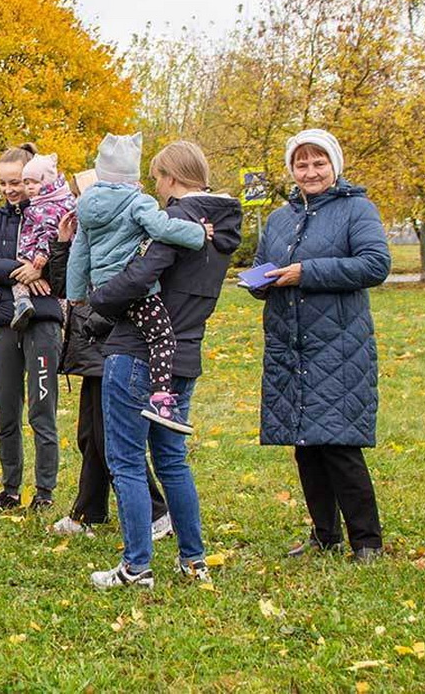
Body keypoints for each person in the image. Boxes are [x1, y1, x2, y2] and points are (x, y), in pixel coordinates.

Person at [86, 140, 242, 589]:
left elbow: (139, 276)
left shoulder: (176, 220)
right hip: (184, 354)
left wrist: (98, 299)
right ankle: (194, 562)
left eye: (158, 177)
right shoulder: (223, 226)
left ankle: (136, 566)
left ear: (173, 177)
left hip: (137, 350)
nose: (157, 186)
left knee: (127, 461)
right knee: (173, 461)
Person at [250, 128, 391, 563]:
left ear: (334, 165)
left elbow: (375, 264)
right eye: (301, 164)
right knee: (305, 445)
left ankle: (366, 541)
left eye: (318, 162)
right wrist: (262, 281)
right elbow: (261, 267)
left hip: (338, 345)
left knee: (339, 445)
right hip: (289, 345)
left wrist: (305, 272)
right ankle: (324, 534)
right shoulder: (279, 218)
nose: (310, 171)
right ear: (291, 169)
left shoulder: (356, 209)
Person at [66, 132, 213, 433]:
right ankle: (161, 398)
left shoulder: (86, 205)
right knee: (162, 337)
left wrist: (76, 294)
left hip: (105, 287)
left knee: (145, 333)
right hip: (135, 287)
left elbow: (79, 254)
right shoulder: (137, 202)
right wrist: (198, 234)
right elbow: (162, 228)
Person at [50, 208, 174, 541]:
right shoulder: (89, 237)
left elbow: (120, 298)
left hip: (111, 347)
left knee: (110, 438)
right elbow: (67, 291)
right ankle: (86, 512)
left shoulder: (126, 240)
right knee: (91, 436)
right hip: (89, 350)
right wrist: (64, 244)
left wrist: (93, 325)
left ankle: (157, 513)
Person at [0, 143, 65, 513]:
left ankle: (45, 491)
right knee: (6, 410)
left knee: (42, 410)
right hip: (4, 324)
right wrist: (22, 269)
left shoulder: (53, 214)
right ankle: (10, 488)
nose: (11, 190)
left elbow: (67, 264)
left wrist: (43, 267)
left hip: (42, 322)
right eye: (4, 184)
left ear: (31, 179)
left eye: (17, 182)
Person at [11, 153, 76, 331]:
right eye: (26, 183)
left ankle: (22, 302)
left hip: (37, 253)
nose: (30, 187)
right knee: (59, 291)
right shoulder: (58, 200)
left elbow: (48, 232)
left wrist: (42, 253)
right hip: (54, 256)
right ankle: (66, 320)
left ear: (47, 181)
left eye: (35, 182)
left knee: (19, 277)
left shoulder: (45, 206)